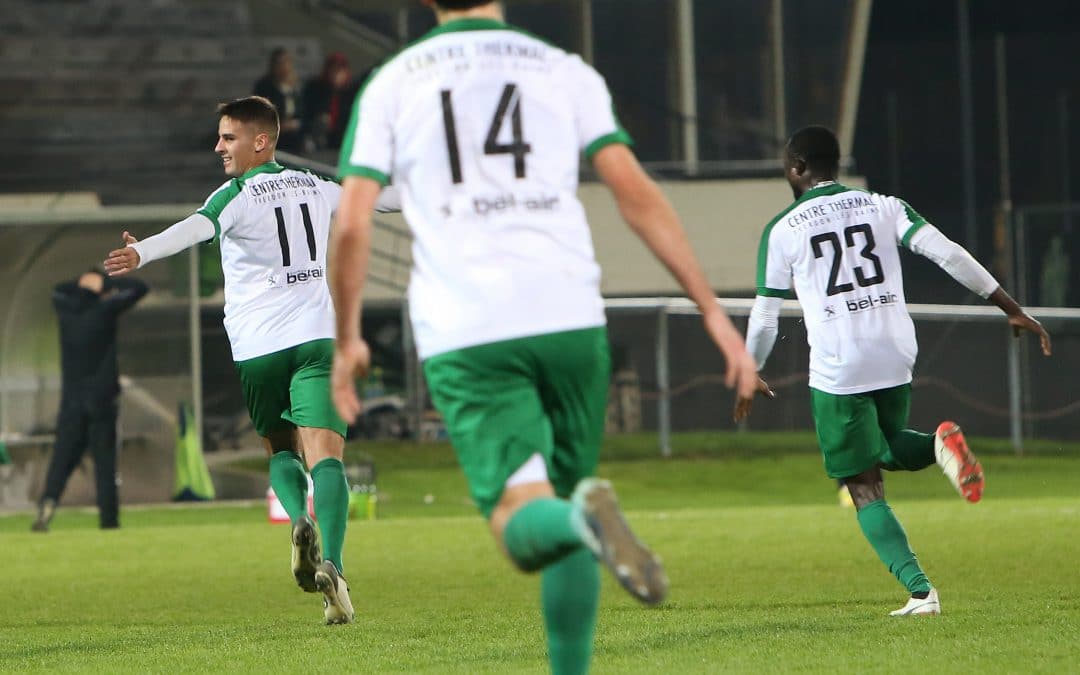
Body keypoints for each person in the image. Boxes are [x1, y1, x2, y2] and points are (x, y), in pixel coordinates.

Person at [330, 1, 759, 672]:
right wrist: (709, 307)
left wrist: (348, 335)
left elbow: (353, 222)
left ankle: (582, 521)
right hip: (569, 315)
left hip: (469, 327)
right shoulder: (564, 69)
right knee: (568, 493)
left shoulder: (392, 80)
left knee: (524, 523)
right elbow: (635, 191)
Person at [103, 95, 400, 625]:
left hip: (258, 346)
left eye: (228, 137)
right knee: (327, 456)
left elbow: (196, 227)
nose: (219, 146)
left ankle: (296, 520)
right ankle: (332, 559)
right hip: (315, 338)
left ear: (260, 140)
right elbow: (379, 199)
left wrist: (141, 251)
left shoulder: (236, 194)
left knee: (280, 451)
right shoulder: (315, 185)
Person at [736, 125, 1053, 616]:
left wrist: (749, 369)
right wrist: (1009, 306)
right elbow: (948, 252)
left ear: (796, 168)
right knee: (883, 445)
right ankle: (937, 445)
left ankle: (921, 592)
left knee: (862, 484)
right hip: (896, 350)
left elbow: (765, 314)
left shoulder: (784, 229)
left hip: (841, 361)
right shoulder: (884, 204)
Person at [33, 270, 148, 532]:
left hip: (72, 401)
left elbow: (58, 288)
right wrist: (108, 282)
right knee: (105, 463)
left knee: (62, 460)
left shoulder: (65, 311)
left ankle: (46, 507)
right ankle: (109, 521)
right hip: (103, 399)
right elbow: (140, 288)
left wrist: (81, 282)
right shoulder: (104, 310)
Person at [302, 52, 360, 151]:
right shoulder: (315, 88)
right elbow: (308, 114)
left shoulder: (352, 91)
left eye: (339, 70)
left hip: (342, 141)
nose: (336, 74)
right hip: (317, 141)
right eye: (333, 70)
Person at [254, 48, 305, 153]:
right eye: (280, 64)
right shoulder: (264, 87)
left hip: (295, 136)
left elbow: (303, 111)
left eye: (286, 63)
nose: (284, 67)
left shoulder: (296, 87)